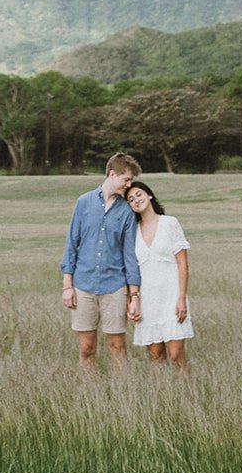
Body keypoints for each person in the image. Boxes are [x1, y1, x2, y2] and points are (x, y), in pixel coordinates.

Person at [60, 151, 142, 368]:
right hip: (83, 286)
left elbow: (129, 255)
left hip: (114, 287)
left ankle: (122, 394)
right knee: (86, 348)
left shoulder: (126, 211)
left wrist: (134, 295)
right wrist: (67, 287)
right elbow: (71, 244)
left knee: (117, 347)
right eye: (126, 179)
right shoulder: (83, 203)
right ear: (112, 174)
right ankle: (89, 395)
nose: (128, 185)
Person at [125, 179, 193, 371]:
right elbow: (132, 270)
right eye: (131, 199)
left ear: (149, 195)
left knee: (176, 355)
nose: (136, 200)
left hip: (172, 297)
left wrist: (181, 299)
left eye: (139, 194)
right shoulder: (133, 232)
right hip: (148, 301)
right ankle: (162, 396)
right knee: (156, 357)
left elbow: (182, 263)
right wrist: (132, 299)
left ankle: (186, 395)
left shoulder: (170, 223)